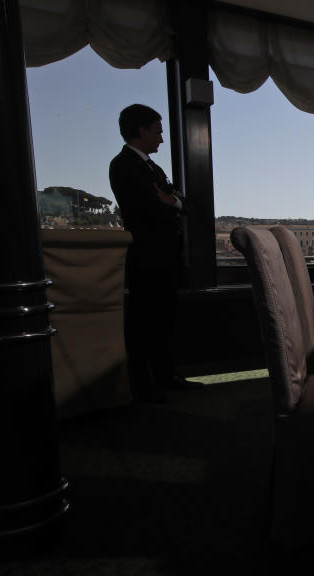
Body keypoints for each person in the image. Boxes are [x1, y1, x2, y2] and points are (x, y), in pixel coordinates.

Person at [109, 104, 202, 402]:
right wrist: (169, 201)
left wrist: (170, 201)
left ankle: (164, 377)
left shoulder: (154, 168)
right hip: (147, 259)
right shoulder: (123, 165)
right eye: (159, 131)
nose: (162, 138)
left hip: (165, 258)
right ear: (142, 130)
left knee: (163, 321)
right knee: (144, 323)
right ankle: (143, 385)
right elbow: (148, 207)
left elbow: (185, 205)